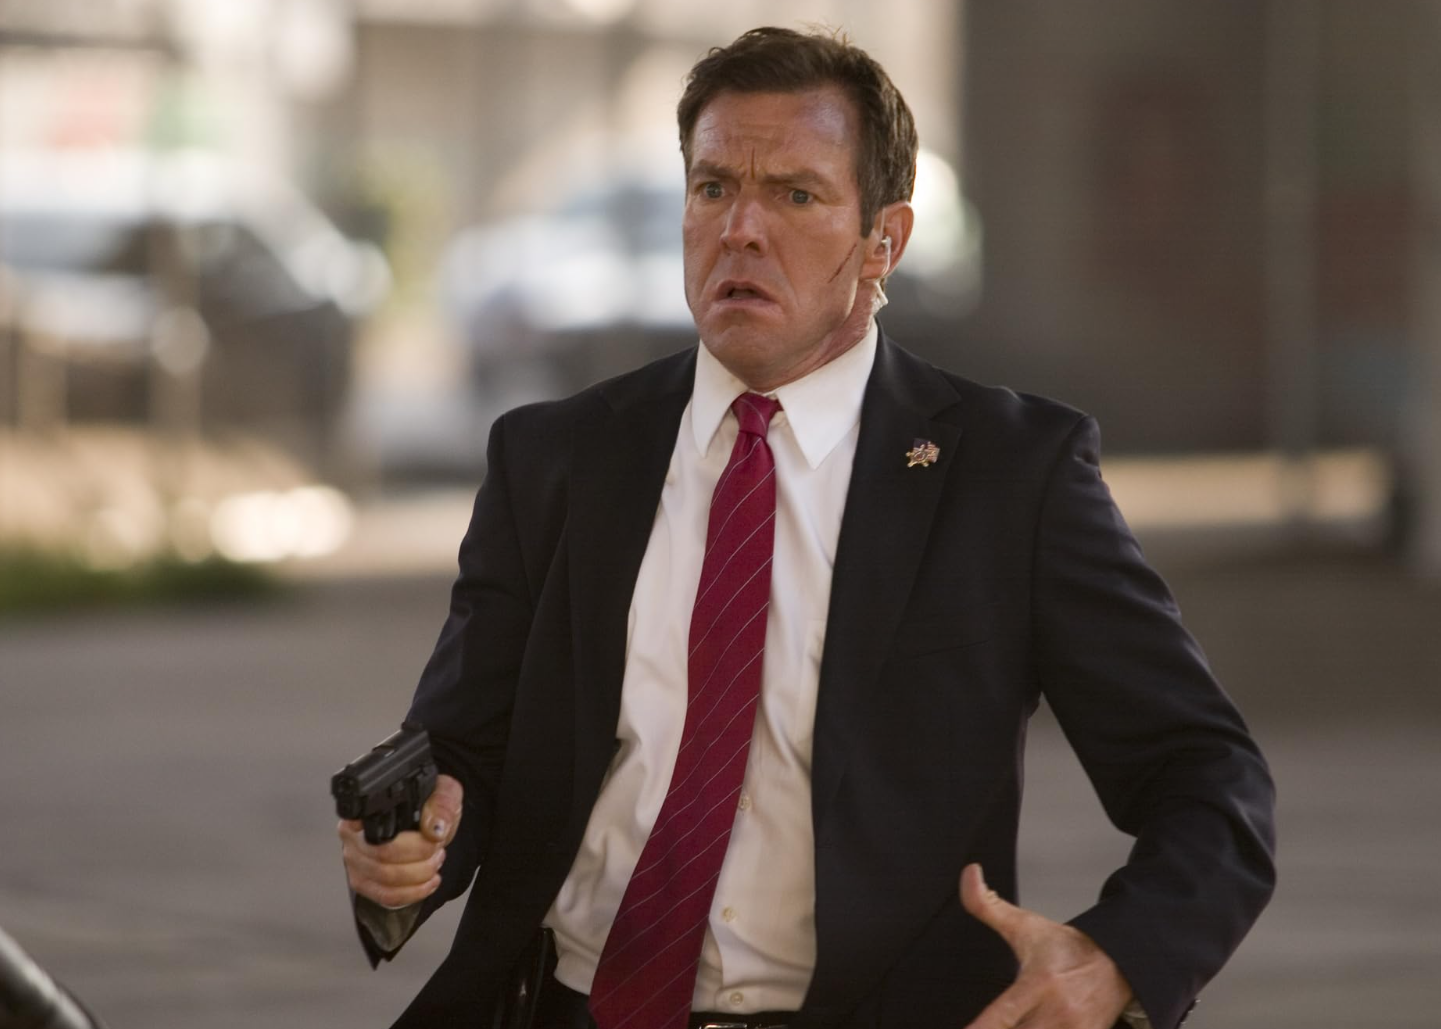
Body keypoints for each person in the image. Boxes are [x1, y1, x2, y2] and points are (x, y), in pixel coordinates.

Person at [337, 26, 1275, 1029]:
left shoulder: (1009, 477)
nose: (740, 229)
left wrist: (1117, 956)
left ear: (883, 241)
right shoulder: (555, 458)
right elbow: (463, 747)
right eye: (711, 189)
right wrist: (414, 844)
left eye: (794, 195)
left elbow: (1206, 774)